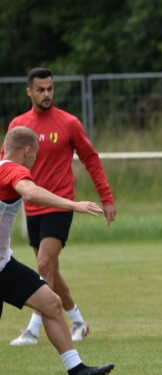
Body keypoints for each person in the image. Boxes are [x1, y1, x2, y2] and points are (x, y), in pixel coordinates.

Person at [5, 67, 116, 346]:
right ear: (29, 91)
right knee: (51, 270)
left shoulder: (68, 123)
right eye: (41, 89)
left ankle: (32, 330)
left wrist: (107, 197)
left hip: (61, 204)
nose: (47, 94)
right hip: (31, 207)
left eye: (50, 88)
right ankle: (78, 321)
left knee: (43, 264)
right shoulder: (19, 125)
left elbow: (91, 158)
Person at [0, 126, 114, 375]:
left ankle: (77, 369)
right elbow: (30, 192)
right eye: (36, 156)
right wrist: (74, 204)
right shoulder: (12, 169)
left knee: (51, 303)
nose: (35, 161)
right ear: (27, 151)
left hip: (3, 265)